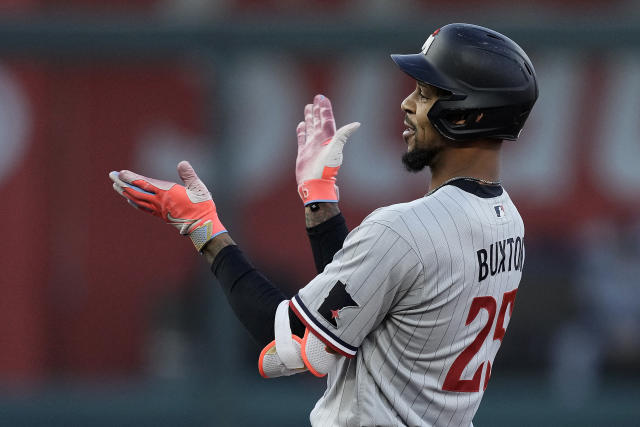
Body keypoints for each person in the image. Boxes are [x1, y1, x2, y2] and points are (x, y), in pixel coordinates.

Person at [109, 23, 538, 427]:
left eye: (426, 95)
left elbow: (290, 342)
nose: (407, 105)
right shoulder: (508, 222)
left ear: (469, 114)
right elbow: (362, 305)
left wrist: (202, 227)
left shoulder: (403, 229)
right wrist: (319, 200)